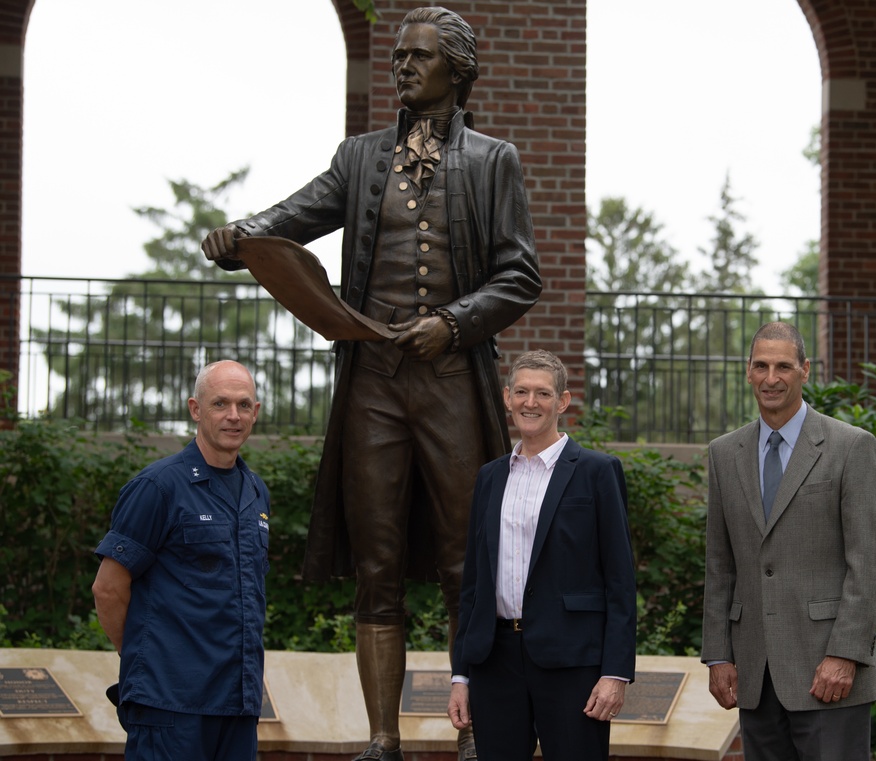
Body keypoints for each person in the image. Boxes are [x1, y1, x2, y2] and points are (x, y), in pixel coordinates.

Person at [201, 8, 540, 761]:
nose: (403, 68)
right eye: (396, 58)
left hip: (450, 375)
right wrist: (241, 237)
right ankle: (382, 735)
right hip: (374, 379)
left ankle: (475, 731)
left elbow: (522, 275)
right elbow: (295, 215)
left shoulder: (493, 160)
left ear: (458, 68)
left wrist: (453, 322)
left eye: (419, 57)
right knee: (377, 559)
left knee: (465, 559)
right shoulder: (359, 158)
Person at [700, 322, 876, 761]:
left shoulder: (851, 447)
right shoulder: (724, 453)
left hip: (828, 673)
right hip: (755, 675)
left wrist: (845, 654)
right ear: (747, 371)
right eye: (761, 366)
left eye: (783, 366)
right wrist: (718, 656)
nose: (772, 377)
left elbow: (870, 562)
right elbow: (719, 563)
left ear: (805, 370)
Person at [447, 350, 636, 761]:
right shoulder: (490, 476)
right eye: (521, 392)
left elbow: (620, 580)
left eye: (543, 394)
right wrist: (461, 675)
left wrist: (615, 672)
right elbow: (474, 584)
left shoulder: (597, 471)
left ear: (562, 402)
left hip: (573, 663)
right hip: (495, 663)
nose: (530, 402)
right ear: (506, 398)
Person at [91, 360, 270, 761]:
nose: (233, 416)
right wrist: (145, 655)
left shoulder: (256, 493)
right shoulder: (158, 487)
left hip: (238, 704)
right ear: (195, 409)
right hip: (171, 706)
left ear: (256, 412)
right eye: (220, 404)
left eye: (244, 405)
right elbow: (107, 588)